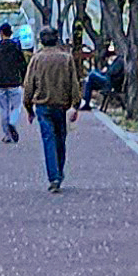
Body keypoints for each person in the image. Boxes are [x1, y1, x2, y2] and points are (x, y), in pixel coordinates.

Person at [23, 30, 81, 190]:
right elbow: (74, 83)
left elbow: (29, 85)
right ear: (57, 39)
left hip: (42, 105)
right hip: (61, 105)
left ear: (41, 41)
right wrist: (76, 105)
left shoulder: (36, 59)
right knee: (60, 139)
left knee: (48, 139)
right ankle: (59, 171)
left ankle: (53, 177)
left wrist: (28, 107)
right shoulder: (66, 58)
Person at [0, 21, 27, 142]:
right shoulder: (16, 47)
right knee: (16, 106)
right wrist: (24, 78)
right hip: (14, 81)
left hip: (0, 82)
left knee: (4, 109)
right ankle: (12, 122)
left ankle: (7, 135)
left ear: (1, 33)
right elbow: (22, 64)